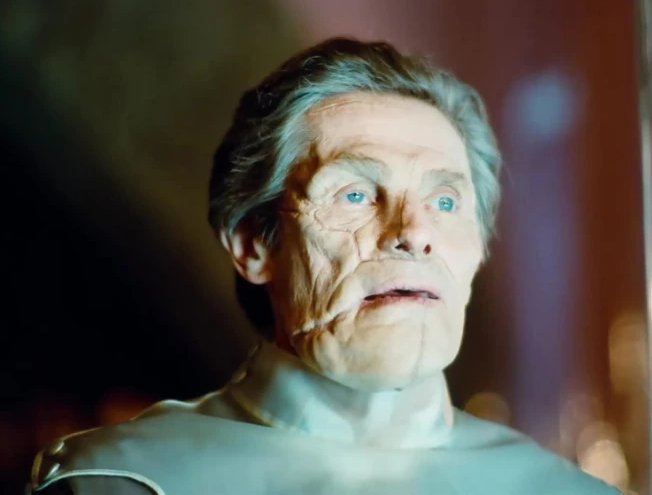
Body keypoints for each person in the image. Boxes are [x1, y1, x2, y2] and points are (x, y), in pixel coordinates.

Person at [27, 38, 620, 494]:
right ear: (253, 245)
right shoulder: (118, 483)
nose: (414, 233)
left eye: (444, 202)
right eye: (355, 195)